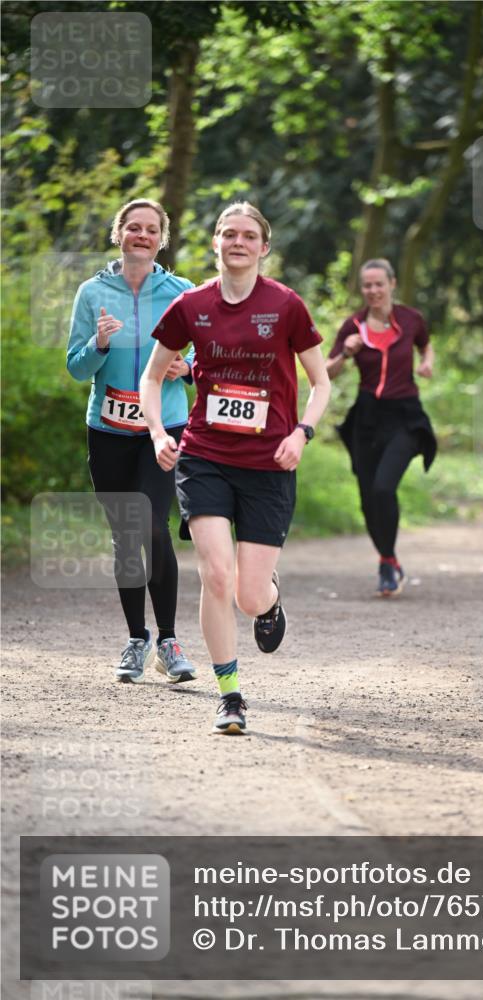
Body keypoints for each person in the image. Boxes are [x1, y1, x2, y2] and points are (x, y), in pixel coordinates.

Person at [140, 201, 330, 735]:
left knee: (248, 594)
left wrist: (302, 432)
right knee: (216, 575)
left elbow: (321, 383)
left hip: (269, 462)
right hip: (205, 456)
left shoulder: (286, 305)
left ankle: (269, 599)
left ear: (264, 247)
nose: (237, 242)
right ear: (215, 243)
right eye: (228, 233)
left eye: (248, 235)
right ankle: (230, 696)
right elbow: (152, 377)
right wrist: (158, 432)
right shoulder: (190, 305)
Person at [66, 198, 197, 683]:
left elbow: (208, 356)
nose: (142, 235)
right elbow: (75, 367)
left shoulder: (182, 292)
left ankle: (169, 641)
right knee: (125, 532)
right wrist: (98, 344)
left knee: (152, 525)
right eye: (134, 227)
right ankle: (136, 640)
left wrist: (188, 368)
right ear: (118, 233)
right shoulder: (92, 292)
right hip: (109, 431)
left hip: (164, 428)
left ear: (162, 239)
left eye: (151, 229)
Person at [326, 258, 437, 597]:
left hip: (404, 416)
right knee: (366, 498)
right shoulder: (353, 326)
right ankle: (388, 559)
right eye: (367, 285)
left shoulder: (411, 319)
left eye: (379, 284)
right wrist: (345, 354)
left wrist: (427, 362)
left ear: (392, 284)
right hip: (367, 418)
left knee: (383, 488)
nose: (373, 290)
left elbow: (425, 344)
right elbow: (326, 372)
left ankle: (387, 563)